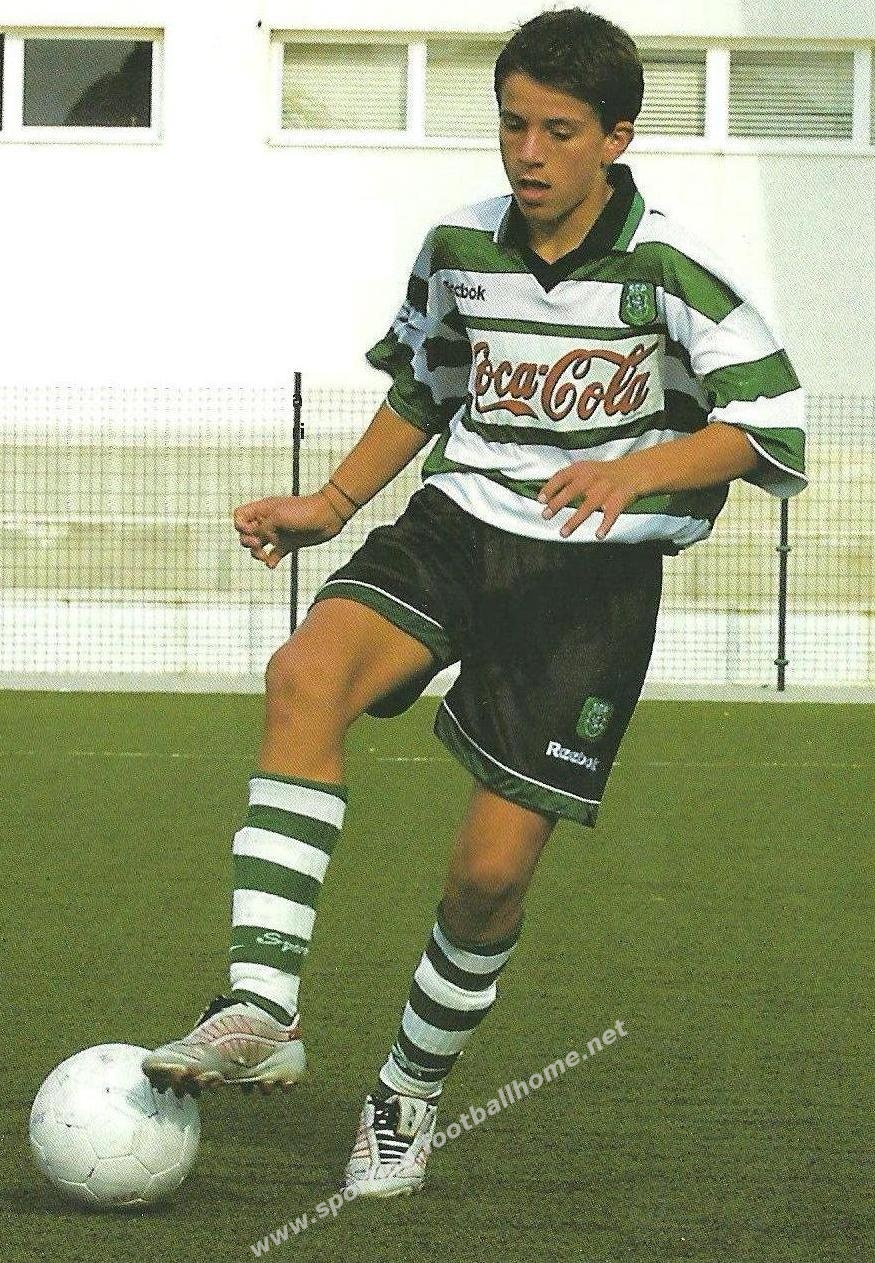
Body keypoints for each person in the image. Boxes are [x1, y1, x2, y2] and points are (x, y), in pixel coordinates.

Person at [143, 8, 806, 1198]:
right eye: (511, 125)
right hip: (457, 527)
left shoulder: (671, 270)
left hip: (590, 580)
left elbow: (766, 424)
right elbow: (426, 382)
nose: (527, 153)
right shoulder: (456, 246)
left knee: (488, 878)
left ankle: (404, 1092)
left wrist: (637, 469)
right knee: (304, 674)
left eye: (558, 131)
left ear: (615, 138)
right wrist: (330, 504)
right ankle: (260, 1005)